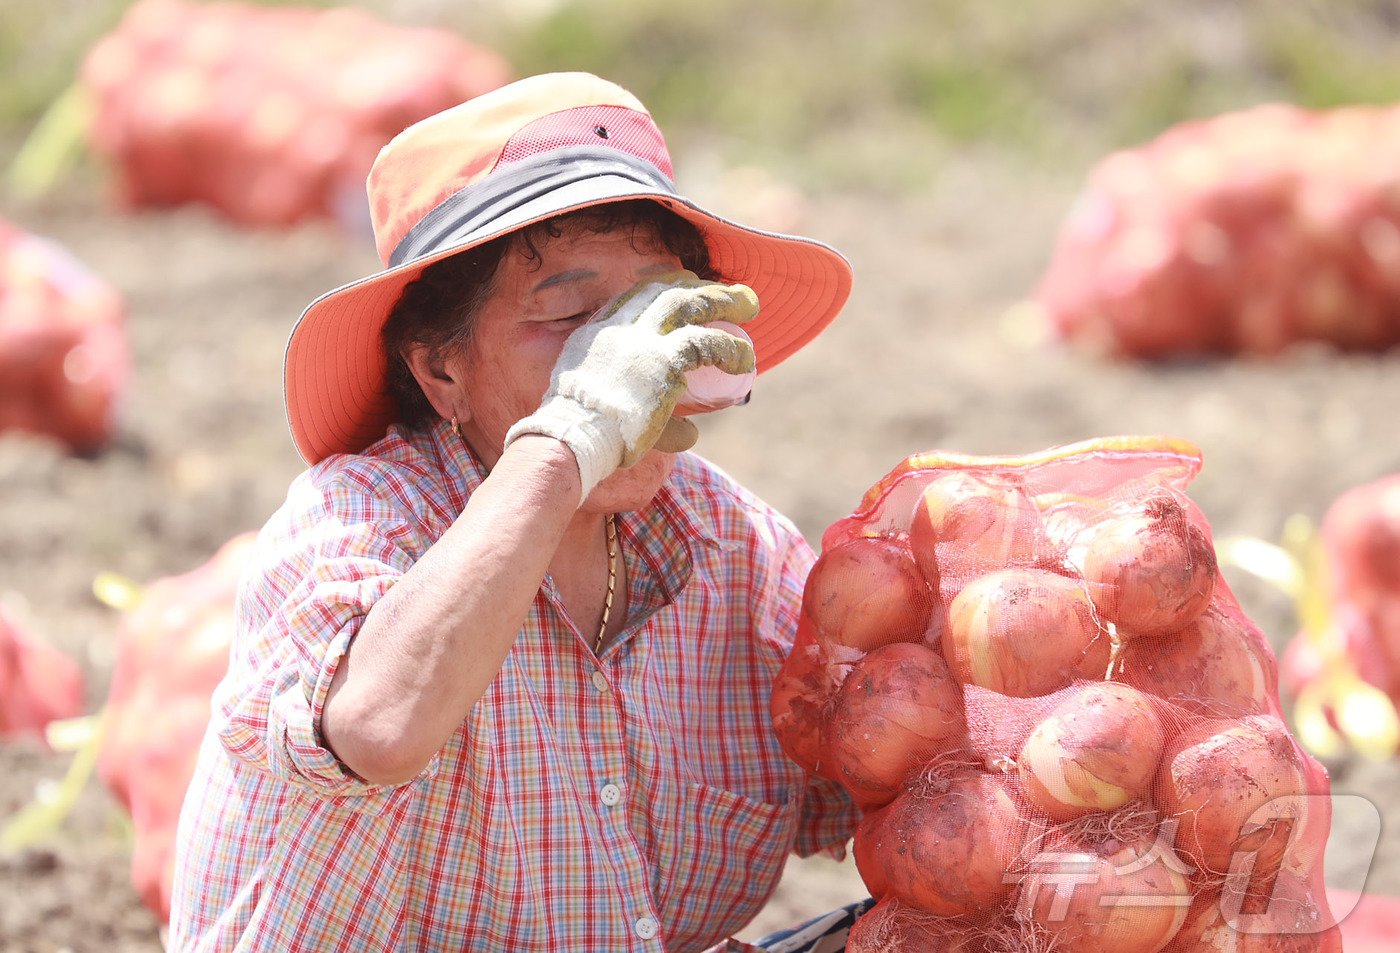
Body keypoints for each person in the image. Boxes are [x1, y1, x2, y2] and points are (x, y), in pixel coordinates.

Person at [168, 71, 862, 952]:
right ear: (441, 373)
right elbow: (380, 727)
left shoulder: (732, 545)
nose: (628, 359)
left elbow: (900, 766)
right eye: (571, 314)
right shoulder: (361, 519)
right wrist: (571, 432)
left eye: (653, 312)